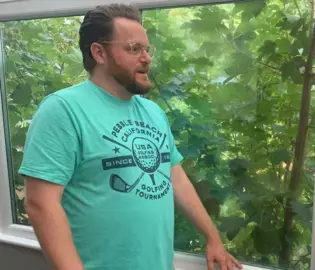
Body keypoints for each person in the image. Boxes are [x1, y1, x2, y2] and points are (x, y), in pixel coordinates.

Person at [19, 4, 242, 270]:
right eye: (134, 49)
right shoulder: (63, 110)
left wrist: (212, 237)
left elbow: (177, 180)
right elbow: (41, 205)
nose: (147, 58)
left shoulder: (153, 112)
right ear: (99, 53)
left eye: (147, 49)